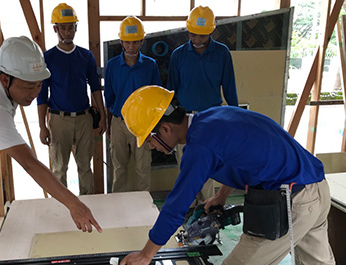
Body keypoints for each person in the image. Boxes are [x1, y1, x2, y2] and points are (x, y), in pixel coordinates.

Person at [119, 85, 335, 265]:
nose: (150, 146)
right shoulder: (212, 117)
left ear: (165, 129)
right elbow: (242, 158)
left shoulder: (199, 146)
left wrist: (146, 254)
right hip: (317, 188)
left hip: (292, 201)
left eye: (149, 139)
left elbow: (176, 207)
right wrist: (222, 196)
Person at [0, 36, 102, 263]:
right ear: (5, 79)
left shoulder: (2, 83)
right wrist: (74, 204)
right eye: (29, 86)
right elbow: (30, 164)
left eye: (39, 85)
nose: (34, 92)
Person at [168, 6, 239, 202]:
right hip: (184, 121)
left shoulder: (222, 53)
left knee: (208, 167)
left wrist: (235, 119)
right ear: (187, 31)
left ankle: (206, 208)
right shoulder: (178, 55)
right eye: (193, 35)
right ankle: (186, 208)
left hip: (212, 120)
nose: (197, 40)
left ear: (211, 32)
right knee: (186, 167)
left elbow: (230, 88)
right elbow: (171, 92)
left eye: (202, 36)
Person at [37, 3, 106, 195]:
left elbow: (95, 87)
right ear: (55, 29)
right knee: (59, 169)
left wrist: (102, 116)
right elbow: (42, 93)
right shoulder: (48, 58)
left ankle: (88, 205)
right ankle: (61, 210)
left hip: (84, 118)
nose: (67, 32)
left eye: (71, 27)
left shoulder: (86, 56)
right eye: (63, 27)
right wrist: (43, 126)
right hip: (59, 120)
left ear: (76, 28)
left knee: (85, 167)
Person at [104, 16, 161, 192]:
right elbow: (109, 97)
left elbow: (156, 98)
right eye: (127, 43)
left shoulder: (150, 65)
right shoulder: (112, 66)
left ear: (142, 41)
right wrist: (109, 126)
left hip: (143, 125)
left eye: (135, 42)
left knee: (143, 168)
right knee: (119, 169)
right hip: (119, 123)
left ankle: (144, 209)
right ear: (121, 41)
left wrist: (153, 127)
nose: (131, 47)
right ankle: (118, 207)